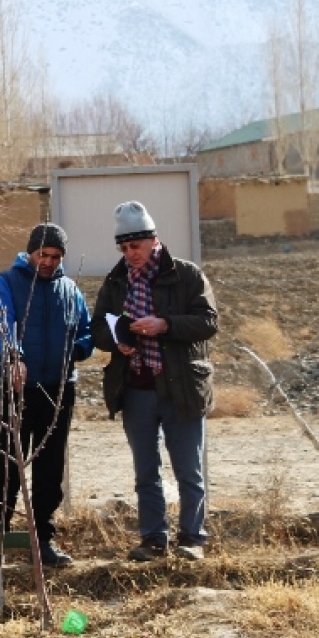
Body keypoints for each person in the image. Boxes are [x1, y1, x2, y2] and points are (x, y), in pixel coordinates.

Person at [90, 201, 218, 562]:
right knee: (146, 470)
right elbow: (98, 327)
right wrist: (119, 340)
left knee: (188, 470)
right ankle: (153, 539)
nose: (130, 254)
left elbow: (208, 321)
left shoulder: (187, 275)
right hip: (135, 389)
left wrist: (166, 325)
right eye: (124, 248)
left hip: (180, 386)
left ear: (152, 240)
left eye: (136, 246)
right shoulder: (115, 282)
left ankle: (192, 538)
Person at [0, 223, 92, 569]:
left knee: (49, 469)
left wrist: (77, 350)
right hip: (16, 389)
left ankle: (42, 541)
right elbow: (2, 325)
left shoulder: (69, 289)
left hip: (59, 389)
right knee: (6, 467)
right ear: (30, 253)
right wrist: (14, 357)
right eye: (42, 255)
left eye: (55, 256)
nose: (48, 262)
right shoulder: (7, 283)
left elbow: (86, 330)